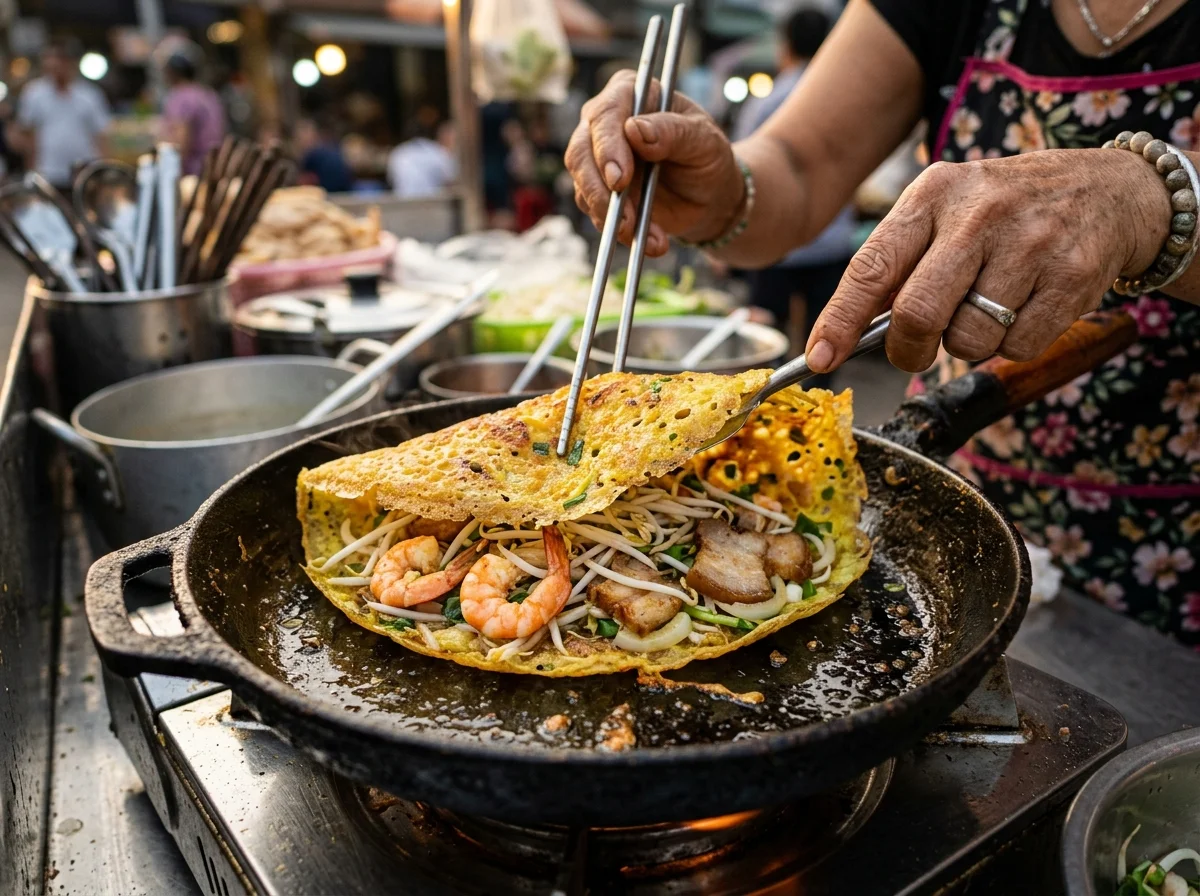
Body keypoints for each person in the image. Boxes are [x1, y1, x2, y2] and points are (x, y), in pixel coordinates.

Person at [567, 0, 1200, 645]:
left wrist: (1151, 198)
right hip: (954, 486)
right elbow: (800, 162)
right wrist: (720, 187)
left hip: (1183, 543)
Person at [730, 7, 857, 379]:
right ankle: (820, 415)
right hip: (831, 242)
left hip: (775, 245)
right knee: (828, 343)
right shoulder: (846, 101)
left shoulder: (769, 100)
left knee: (765, 341)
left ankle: (764, 414)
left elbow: (741, 167)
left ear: (785, 46)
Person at [15, 38, 110, 191]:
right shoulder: (34, 93)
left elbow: (101, 136)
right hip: (48, 173)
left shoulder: (90, 95)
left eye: (60, 59)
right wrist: (31, 171)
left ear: (71, 62)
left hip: (84, 171)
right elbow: (28, 135)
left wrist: (103, 170)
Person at [161, 51, 227, 177]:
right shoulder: (208, 94)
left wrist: (175, 172)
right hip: (216, 165)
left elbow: (182, 139)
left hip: (194, 171)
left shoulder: (180, 97)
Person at [388, 113, 457, 199]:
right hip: (431, 204)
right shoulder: (438, 152)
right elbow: (452, 182)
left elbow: (392, 181)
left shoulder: (398, 151)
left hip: (402, 202)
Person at [295, 117, 355, 194]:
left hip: (330, 192)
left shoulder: (313, 153)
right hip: (346, 189)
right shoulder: (329, 146)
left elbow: (304, 179)